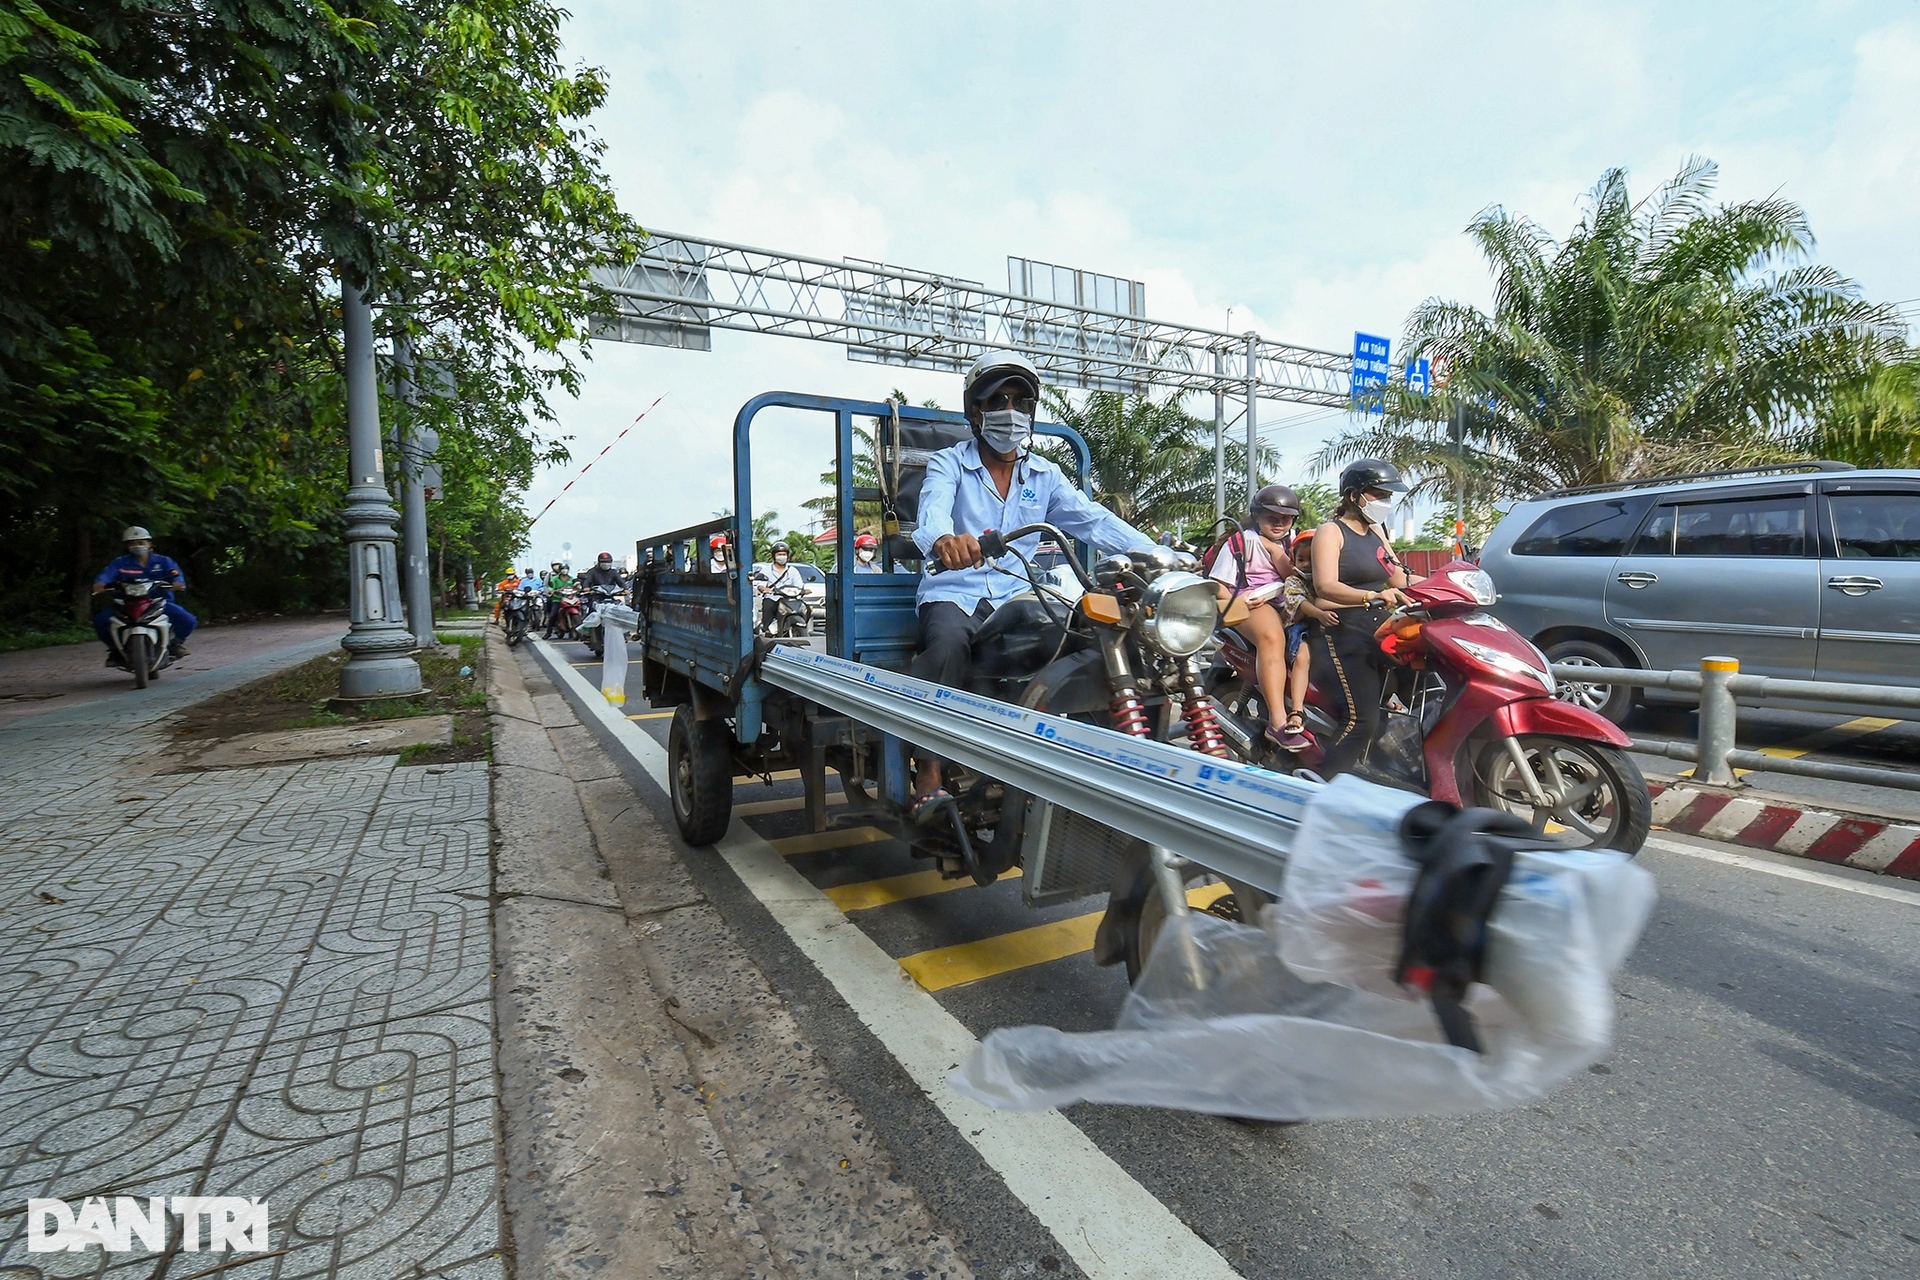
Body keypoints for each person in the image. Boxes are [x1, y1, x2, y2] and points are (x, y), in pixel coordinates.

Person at [909, 350, 1156, 820]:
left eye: (1021, 402)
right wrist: (945, 540)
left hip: (1022, 592)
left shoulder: (1044, 473)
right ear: (974, 411)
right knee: (945, 648)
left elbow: (1092, 519)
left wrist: (1154, 557)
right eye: (997, 400)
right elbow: (932, 513)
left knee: (1091, 636)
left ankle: (1087, 760)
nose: (1011, 412)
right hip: (956, 590)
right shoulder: (949, 464)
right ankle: (931, 770)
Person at [1307, 458, 1418, 776]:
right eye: (1379, 494)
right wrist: (1371, 596)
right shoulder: (1331, 531)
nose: (1386, 502)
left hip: (1379, 626)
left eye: (1388, 496)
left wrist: (1449, 584)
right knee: (1362, 719)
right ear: (1355, 495)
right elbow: (1325, 586)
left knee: (1429, 681)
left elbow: (1399, 579)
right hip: (1341, 630)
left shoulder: (1377, 532)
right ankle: (1319, 786)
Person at [1207, 485, 1316, 749]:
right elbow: (1218, 585)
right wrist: (1244, 600)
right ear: (1257, 516)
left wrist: (1277, 552)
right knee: (1272, 637)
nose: (1279, 523)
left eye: (1286, 518)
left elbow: (1296, 578)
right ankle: (1277, 723)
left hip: (1285, 600)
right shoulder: (1241, 542)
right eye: (1272, 517)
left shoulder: (1296, 543)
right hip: (1249, 603)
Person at [92, 526, 194, 661]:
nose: (137, 546)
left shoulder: (163, 561)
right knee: (100, 620)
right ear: (127, 545)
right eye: (133, 543)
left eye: (141, 542)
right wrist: (100, 583)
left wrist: (177, 582)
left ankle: (176, 644)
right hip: (126, 604)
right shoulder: (120, 563)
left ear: (149, 543)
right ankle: (114, 649)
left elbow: (175, 573)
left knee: (188, 619)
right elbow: (107, 574)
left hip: (159, 602)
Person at [751, 545, 804, 634]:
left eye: (784, 554)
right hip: (773, 598)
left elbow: (799, 585)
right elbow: (760, 585)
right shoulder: (767, 570)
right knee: (768, 604)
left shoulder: (793, 571)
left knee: (804, 607)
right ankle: (767, 629)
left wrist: (804, 590)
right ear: (774, 556)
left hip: (789, 600)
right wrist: (763, 589)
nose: (782, 556)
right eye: (779, 554)